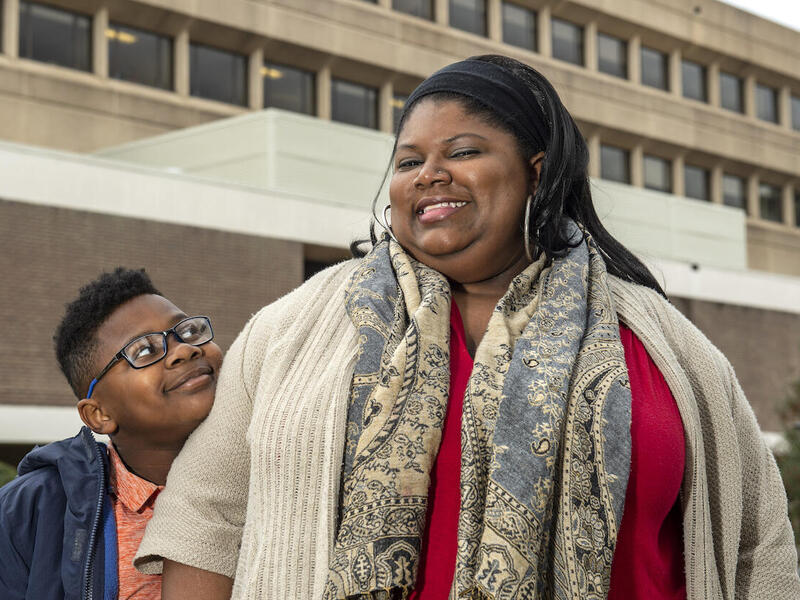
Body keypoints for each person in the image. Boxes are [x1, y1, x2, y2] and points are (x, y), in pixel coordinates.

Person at [135, 55, 800, 600]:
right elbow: (207, 515)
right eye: (407, 161)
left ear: (536, 172)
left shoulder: (664, 344)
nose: (429, 175)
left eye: (464, 151)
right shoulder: (294, 328)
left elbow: (756, 546)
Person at [0, 267, 223, 599]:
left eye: (188, 331)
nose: (185, 350)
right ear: (98, 414)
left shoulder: (278, 474)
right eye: (145, 350)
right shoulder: (27, 512)